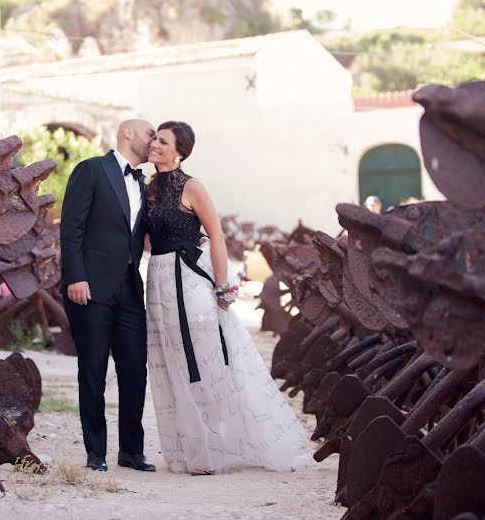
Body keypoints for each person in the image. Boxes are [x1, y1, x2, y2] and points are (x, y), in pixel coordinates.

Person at [145, 121, 306, 475]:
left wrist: (222, 285)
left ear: (179, 152)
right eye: (154, 138)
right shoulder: (149, 189)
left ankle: (218, 448)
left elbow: (216, 236)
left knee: (206, 363)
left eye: (162, 141)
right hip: (158, 282)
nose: (154, 144)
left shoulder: (193, 187)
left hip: (190, 282)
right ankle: (191, 449)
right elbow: (146, 242)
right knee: (172, 363)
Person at [59, 118, 158, 472]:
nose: (154, 141)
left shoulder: (144, 183)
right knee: (93, 371)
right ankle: (95, 453)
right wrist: (76, 276)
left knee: (134, 371)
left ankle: (131, 451)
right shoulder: (92, 170)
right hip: (90, 288)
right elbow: (72, 229)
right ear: (128, 133)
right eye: (150, 134)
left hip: (130, 289)